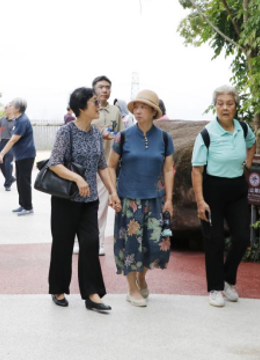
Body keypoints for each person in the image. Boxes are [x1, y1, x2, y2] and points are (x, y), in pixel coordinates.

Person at [47, 87, 121, 312]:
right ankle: (58, 288)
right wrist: (78, 179)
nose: (99, 106)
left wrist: (113, 192)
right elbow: (55, 163)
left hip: (89, 201)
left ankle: (92, 294)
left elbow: (102, 165)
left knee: (90, 244)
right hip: (66, 199)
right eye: (94, 103)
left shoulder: (97, 133)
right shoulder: (66, 132)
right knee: (63, 244)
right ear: (81, 108)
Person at [108, 90, 175, 308]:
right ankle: (131, 288)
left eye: (143, 107)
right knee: (130, 246)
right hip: (129, 201)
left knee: (155, 246)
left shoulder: (165, 138)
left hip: (155, 199)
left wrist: (169, 199)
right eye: (136, 106)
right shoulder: (123, 136)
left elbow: (168, 170)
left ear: (153, 111)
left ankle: (142, 276)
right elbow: (110, 165)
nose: (138, 110)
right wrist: (113, 193)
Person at [191, 85, 256, 308]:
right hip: (212, 189)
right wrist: (200, 200)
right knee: (215, 239)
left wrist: (248, 163)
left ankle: (228, 280)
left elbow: (252, 143)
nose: (225, 107)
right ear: (215, 106)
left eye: (229, 103)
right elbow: (197, 170)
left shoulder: (244, 129)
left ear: (236, 106)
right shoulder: (206, 134)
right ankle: (215, 288)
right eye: (220, 103)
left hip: (237, 188)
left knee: (242, 238)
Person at [76, 76, 124, 256]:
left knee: (102, 206)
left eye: (108, 87)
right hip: (85, 166)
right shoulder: (87, 109)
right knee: (82, 204)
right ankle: (78, 240)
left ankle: (99, 242)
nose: (105, 90)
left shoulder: (115, 111)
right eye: (101, 87)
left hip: (106, 165)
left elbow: (121, 135)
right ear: (93, 89)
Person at [0, 98, 37, 216]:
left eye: (11, 105)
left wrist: (2, 153)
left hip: (26, 155)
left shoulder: (22, 121)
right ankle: (23, 205)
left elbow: (13, 139)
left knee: (24, 181)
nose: (9, 107)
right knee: (19, 180)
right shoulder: (18, 120)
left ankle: (28, 207)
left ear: (18, 108)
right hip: (20, 155)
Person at [0, 104, 16, 191]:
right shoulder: (2, 119)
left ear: (12, 109)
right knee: (0, 163)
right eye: (5, 108)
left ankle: (7, 184)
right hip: (2, 142)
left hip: (11, 143)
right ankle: (10, 178)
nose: (6, 109)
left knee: (8, 163)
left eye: (8, 108)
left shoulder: (16, 121)